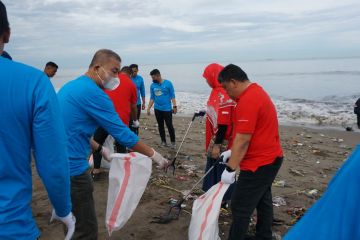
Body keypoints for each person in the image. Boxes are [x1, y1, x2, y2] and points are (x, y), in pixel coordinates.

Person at [57, 49, 168, 239]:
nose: (117, 77)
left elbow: (73, 129)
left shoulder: (71, 86)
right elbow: (124, 135)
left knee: (72, 223)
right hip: (73, 170)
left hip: (57, 165)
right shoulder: (94, 93)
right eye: (114, 71)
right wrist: (155, 155)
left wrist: (100, 148)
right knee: (86, 230)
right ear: (98, 67)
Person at [0, 1, 75, 239]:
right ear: (7, 34)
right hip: (10, 225)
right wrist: (63, 209)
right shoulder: (33, 83)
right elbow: (52, 161)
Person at [218, 64, 283, 240]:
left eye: (225, 87)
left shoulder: (249, 100)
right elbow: (252, 132)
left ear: (233, 82)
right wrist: (232, 150)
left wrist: (230, 169)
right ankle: (264, 235)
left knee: (239, 206)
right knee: (263, 200)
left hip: (259, 163)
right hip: (271, 158)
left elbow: (243, 139)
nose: (226, 92)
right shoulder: (256, 92)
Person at [91, 66, 138, 180]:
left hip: (105, 118)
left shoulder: (108, 79)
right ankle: (120, 171)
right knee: (121, 146)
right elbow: (133, 106)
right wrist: (135, 120)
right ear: (130, 74)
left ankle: (96, 170)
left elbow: (98, 96)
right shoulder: (131, 84)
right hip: (120, 121)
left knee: (97, 143)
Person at [201, 63, 236, 208]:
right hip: (217, 136)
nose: (206, 81)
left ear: (214, 76)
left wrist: (217, 145)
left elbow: (224, 123)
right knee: (214, 165)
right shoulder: (217, 91)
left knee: (219, 166)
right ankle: (214, 194)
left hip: (222, 138)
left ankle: (222, 198)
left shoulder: (223, 93)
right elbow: (216, 112)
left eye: (207, 78)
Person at [147, 69, 177, 148]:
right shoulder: (153, 85)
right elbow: (152, 98)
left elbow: (172, 96)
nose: (152, 79)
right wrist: (148, 108)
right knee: (160, 126)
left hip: (167, 109)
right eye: (152, 78)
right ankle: (163, 141)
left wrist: (174, 106)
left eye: (153, 78)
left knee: (169, 125)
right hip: (157, 109)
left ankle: (173, 142)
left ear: (158, 75)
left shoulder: (168, 83)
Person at [130, 63, 145, 134]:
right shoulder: (128, 78)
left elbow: (142, 90)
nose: (134, 73)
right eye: (132, 71)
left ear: (137, 70)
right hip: (129, 104)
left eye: (135, 71)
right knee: (129, 121)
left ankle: (135, 136)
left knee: (136, 120)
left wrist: (144, 102)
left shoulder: (140, 78)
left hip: (138, 103)